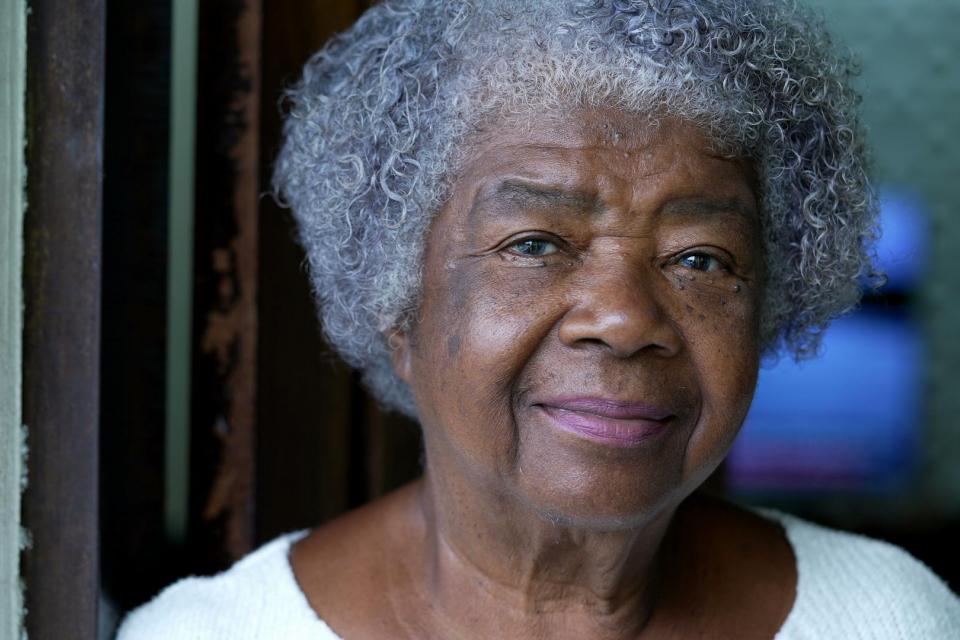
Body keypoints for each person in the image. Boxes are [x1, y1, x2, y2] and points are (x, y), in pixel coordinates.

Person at [117, 0, 960, 638]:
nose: (625, 319)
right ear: (397, 308)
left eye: (700, 258)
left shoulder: (885, 618)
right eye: (534, 243)